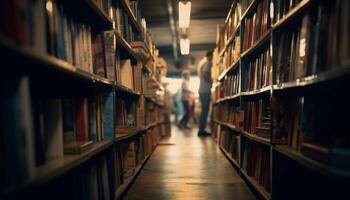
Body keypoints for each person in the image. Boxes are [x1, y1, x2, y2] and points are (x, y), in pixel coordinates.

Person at [198, 51, 213, 136]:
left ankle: (201, 129)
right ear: (210, 56)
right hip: (205, 90)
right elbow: (205, 74)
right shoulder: (207, 63)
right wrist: (211, 82)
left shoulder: (202, 63)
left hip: (202, 90)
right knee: (205, 110)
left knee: (204, 110)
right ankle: (201, 130)